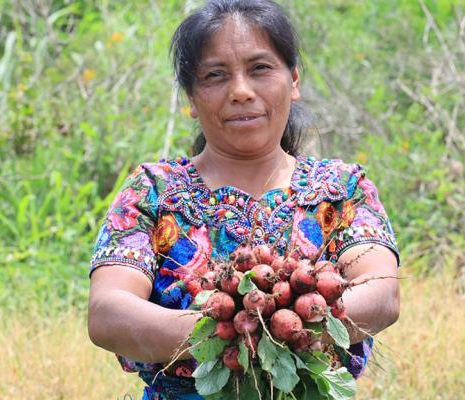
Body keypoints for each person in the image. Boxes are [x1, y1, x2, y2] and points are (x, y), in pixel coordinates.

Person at [87, 1, 400, 398]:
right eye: (215, 75)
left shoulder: (341, 189)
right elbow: (108, 312)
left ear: (294, 80)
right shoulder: (154, 191)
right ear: (191, 98)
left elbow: (382, 293)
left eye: (260, 68)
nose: (240, 91)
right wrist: (231, 331)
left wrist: (288, 326)